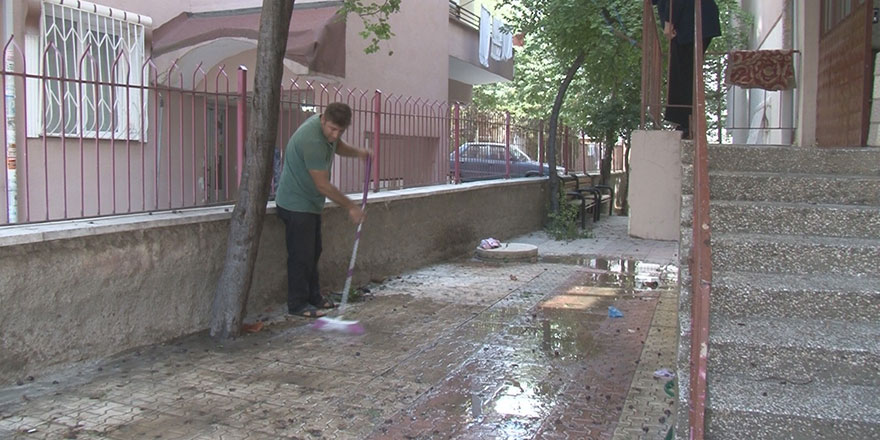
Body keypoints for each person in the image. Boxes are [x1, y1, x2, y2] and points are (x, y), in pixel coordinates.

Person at [275, 103, 370, 317]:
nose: (335, 135)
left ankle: (314, 298)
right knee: (301, 255)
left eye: (340, 131)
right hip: (295, 204)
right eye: (332, 129)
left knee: (313, 252)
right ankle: (298, 305)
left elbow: (339, 146)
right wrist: (351, 207)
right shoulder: (313, 140)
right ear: (323, 120)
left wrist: (359, 152)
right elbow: (323, 185)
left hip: (309, 204)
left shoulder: (327, 134)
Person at [654, 0, 721, 138]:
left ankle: (686, 123)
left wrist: (669, 20)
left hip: (689, 20)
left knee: (684, 72)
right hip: (690, 20)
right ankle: (685, 122)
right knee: (683, 71)